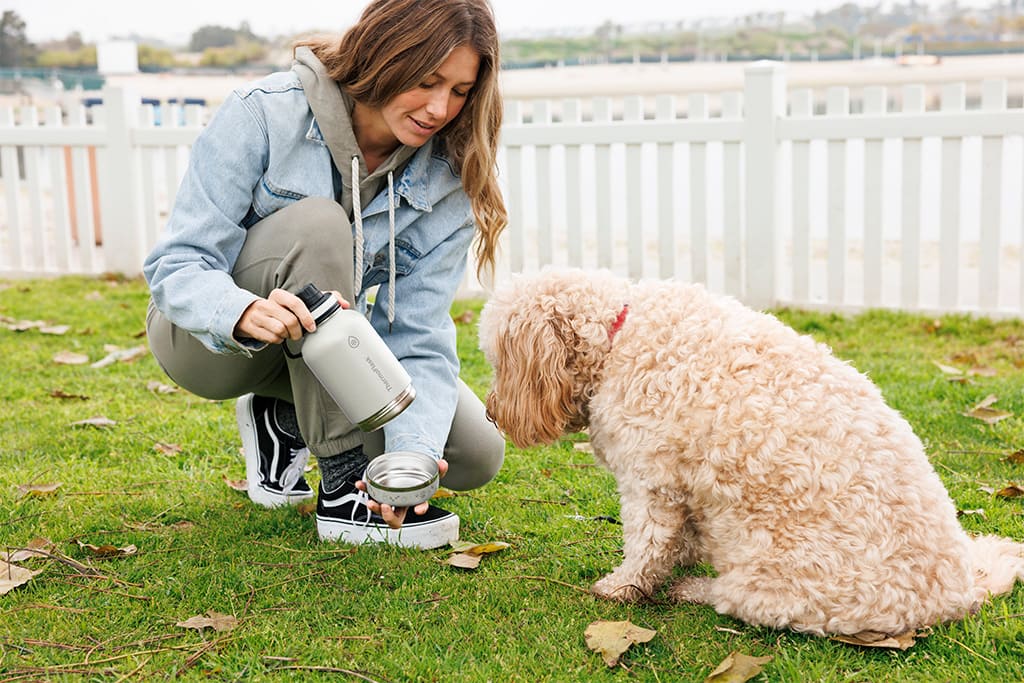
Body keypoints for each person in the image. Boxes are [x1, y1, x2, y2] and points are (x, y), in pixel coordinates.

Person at [143, 0, 507, 550]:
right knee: (320, 223)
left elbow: (420, 336)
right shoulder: (263, 111)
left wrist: (409, 456)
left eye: (459, 91)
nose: (439, 108)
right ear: (386, 55)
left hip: (324, 353)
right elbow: (178, 264)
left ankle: (281, 419)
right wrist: (238, 311)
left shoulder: (448, 176)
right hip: (209, 346)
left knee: (474, 451)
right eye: (428, 81)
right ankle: (342, 486)